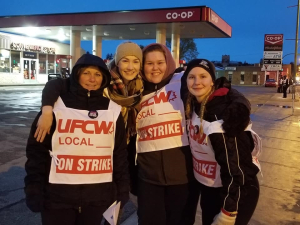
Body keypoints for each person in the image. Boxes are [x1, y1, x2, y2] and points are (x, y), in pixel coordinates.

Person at [24, 53, 129, 225]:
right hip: (57, 199)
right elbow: (37, 152)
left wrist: (122, 190)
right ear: (77, 75)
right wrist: (33, 188)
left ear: (104, 79)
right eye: (86, 73)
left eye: (97, 74)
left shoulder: (113, 110)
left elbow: (119, 154)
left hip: (97, 198)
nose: (92, 79)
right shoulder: (55, 107)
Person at [182, 59, 261, 225]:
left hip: (235, 192)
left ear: (212, 80)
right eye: (191, 77)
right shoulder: (194, 103)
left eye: (203, 76)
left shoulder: (221, 116)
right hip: (210, 187)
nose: (197, 82)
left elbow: (237, 170)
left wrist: (228, 212)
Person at [133, 43, 197, 225]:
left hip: (182, 176)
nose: (155, 68)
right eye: (149, 63)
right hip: (148, 177)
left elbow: (211, 87)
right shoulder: (134, 91)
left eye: (160, 62)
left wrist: (237, 107)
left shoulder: (182, 82)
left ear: (168, 62)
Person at [35, 41, 143, 144]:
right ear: (117, 62)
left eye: (135, 61)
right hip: (99, 143)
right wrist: (47, 112)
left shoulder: (140, 86)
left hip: (130, 142)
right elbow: (56, 85)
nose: (130, 67)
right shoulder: (103, 82)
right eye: (125, 60)